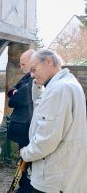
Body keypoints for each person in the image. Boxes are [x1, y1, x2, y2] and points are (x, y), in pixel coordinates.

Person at [20, 49, 87, 193]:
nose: (31, 75)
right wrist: (37, 86)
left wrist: (26, 153)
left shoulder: (58, 89)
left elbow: (47, 138)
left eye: (33, 69)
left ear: (49, 61)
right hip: (66, 172)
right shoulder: (68, 82)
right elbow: (41, 108)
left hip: (53, 175)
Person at [7, 49, 35, 192]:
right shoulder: (25, 77)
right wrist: (14, 92)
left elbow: (13, 101)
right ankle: (23, 185)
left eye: (23, 63)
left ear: (32, 61)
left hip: (28, 127)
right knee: (22, 157)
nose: (21, 66)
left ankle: (27, 188)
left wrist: (14, 94)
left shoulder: (34, 80)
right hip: (22, 127)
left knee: (28, 160)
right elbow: (11, 90)